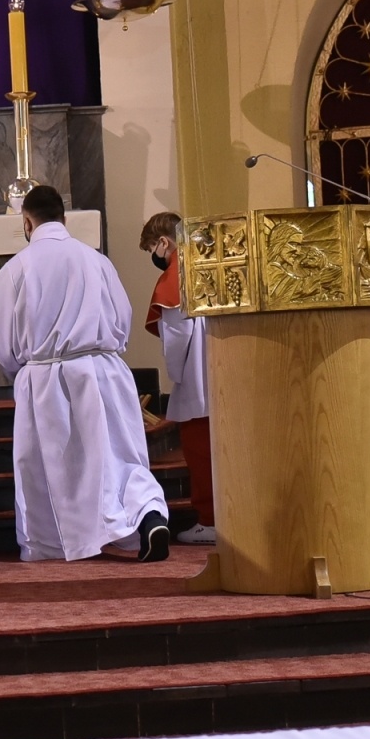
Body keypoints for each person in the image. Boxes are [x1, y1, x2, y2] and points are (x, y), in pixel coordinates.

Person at [0, 186, 172, 562]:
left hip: (47, 378)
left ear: (26, 221)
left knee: (59, 469)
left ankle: (56, 543)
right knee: (119, 456)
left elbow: (0, 337)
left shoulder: (15, 270)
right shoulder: (97, 261)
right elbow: (122, 319)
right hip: (104, 369)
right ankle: (148, 513)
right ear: (64, 218)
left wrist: (24, 368)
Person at [140, 212, 216, 545]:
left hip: (198, 378)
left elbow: (177, 336)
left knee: (200, 452)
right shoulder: (210, 264)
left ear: (164, 242)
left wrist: (176, 379)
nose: (155, 257)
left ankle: (211, 520)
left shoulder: (175, 277)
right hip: (225, 371)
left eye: (152, 249)